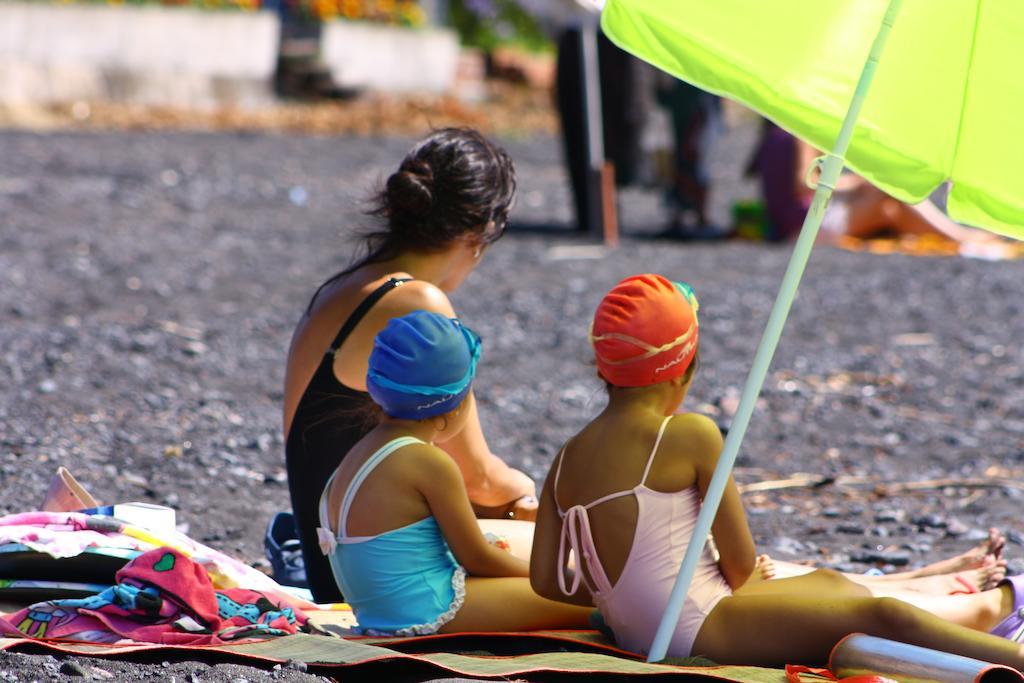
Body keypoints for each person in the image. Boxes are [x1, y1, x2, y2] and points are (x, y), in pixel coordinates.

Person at [530, 273, 1024, 666]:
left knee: (831, 584)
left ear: (603, 369)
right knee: (883, 614)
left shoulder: (567, 457)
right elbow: (741, 569)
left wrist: (625, 596)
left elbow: (547, 582)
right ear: (684, 366)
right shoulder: (688, 433)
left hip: (641, 630)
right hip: (701, 623)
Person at [284, 128, 537, 603]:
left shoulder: (345, 288)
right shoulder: (418, 302)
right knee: (566, 562)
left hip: (336, 554)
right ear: (476, 233)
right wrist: (529, 492)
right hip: (373, 577)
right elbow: (477, 477)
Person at [317, 310, 592, 633]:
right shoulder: (428, 461)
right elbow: (477, 559)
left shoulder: (362, 453)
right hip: (428, 608)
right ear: (457, 404)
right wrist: (556, 581)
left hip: (384, 609)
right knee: (597, 605)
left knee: (539, 553)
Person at [751, 121, 1007, 253]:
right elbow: (804, 185)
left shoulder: (771, 137)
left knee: (888, 210)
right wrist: (856, 183)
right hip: (805, 229)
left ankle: (956, 236)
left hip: (788, 226)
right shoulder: (799, 135)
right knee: (886, 191)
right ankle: (960, 237)